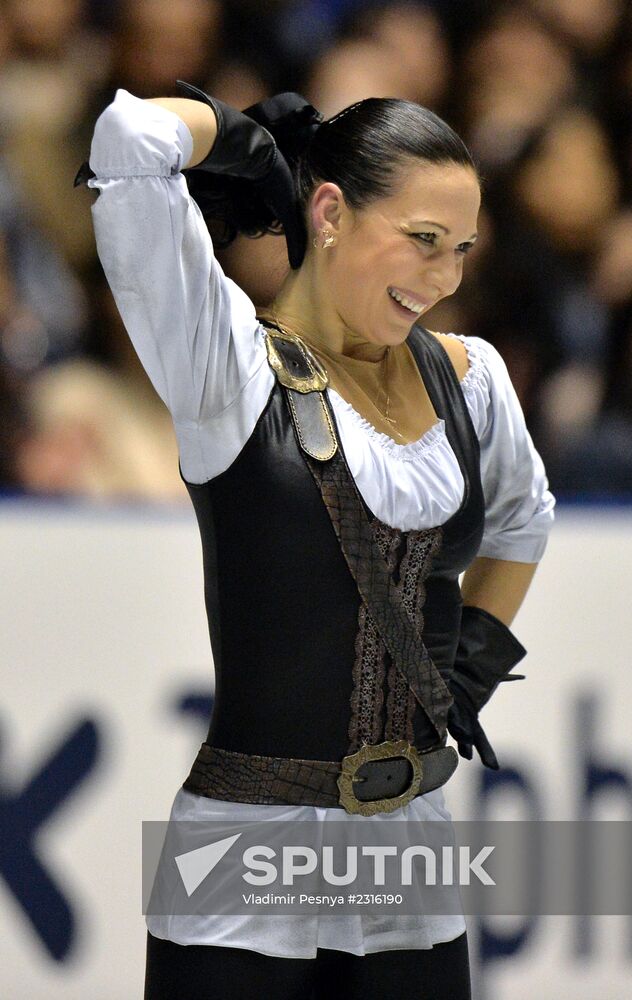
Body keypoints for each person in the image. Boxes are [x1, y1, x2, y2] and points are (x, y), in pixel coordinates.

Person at [80, 80, 555, 999]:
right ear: (329, 210)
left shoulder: (470, 377)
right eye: (422, 242)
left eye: (460, 251)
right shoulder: (225, 366)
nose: (445, 279)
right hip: (242, 859)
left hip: (410, 853)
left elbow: (525, 516)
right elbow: (129, 136)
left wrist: (471, 675)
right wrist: (247, 140)